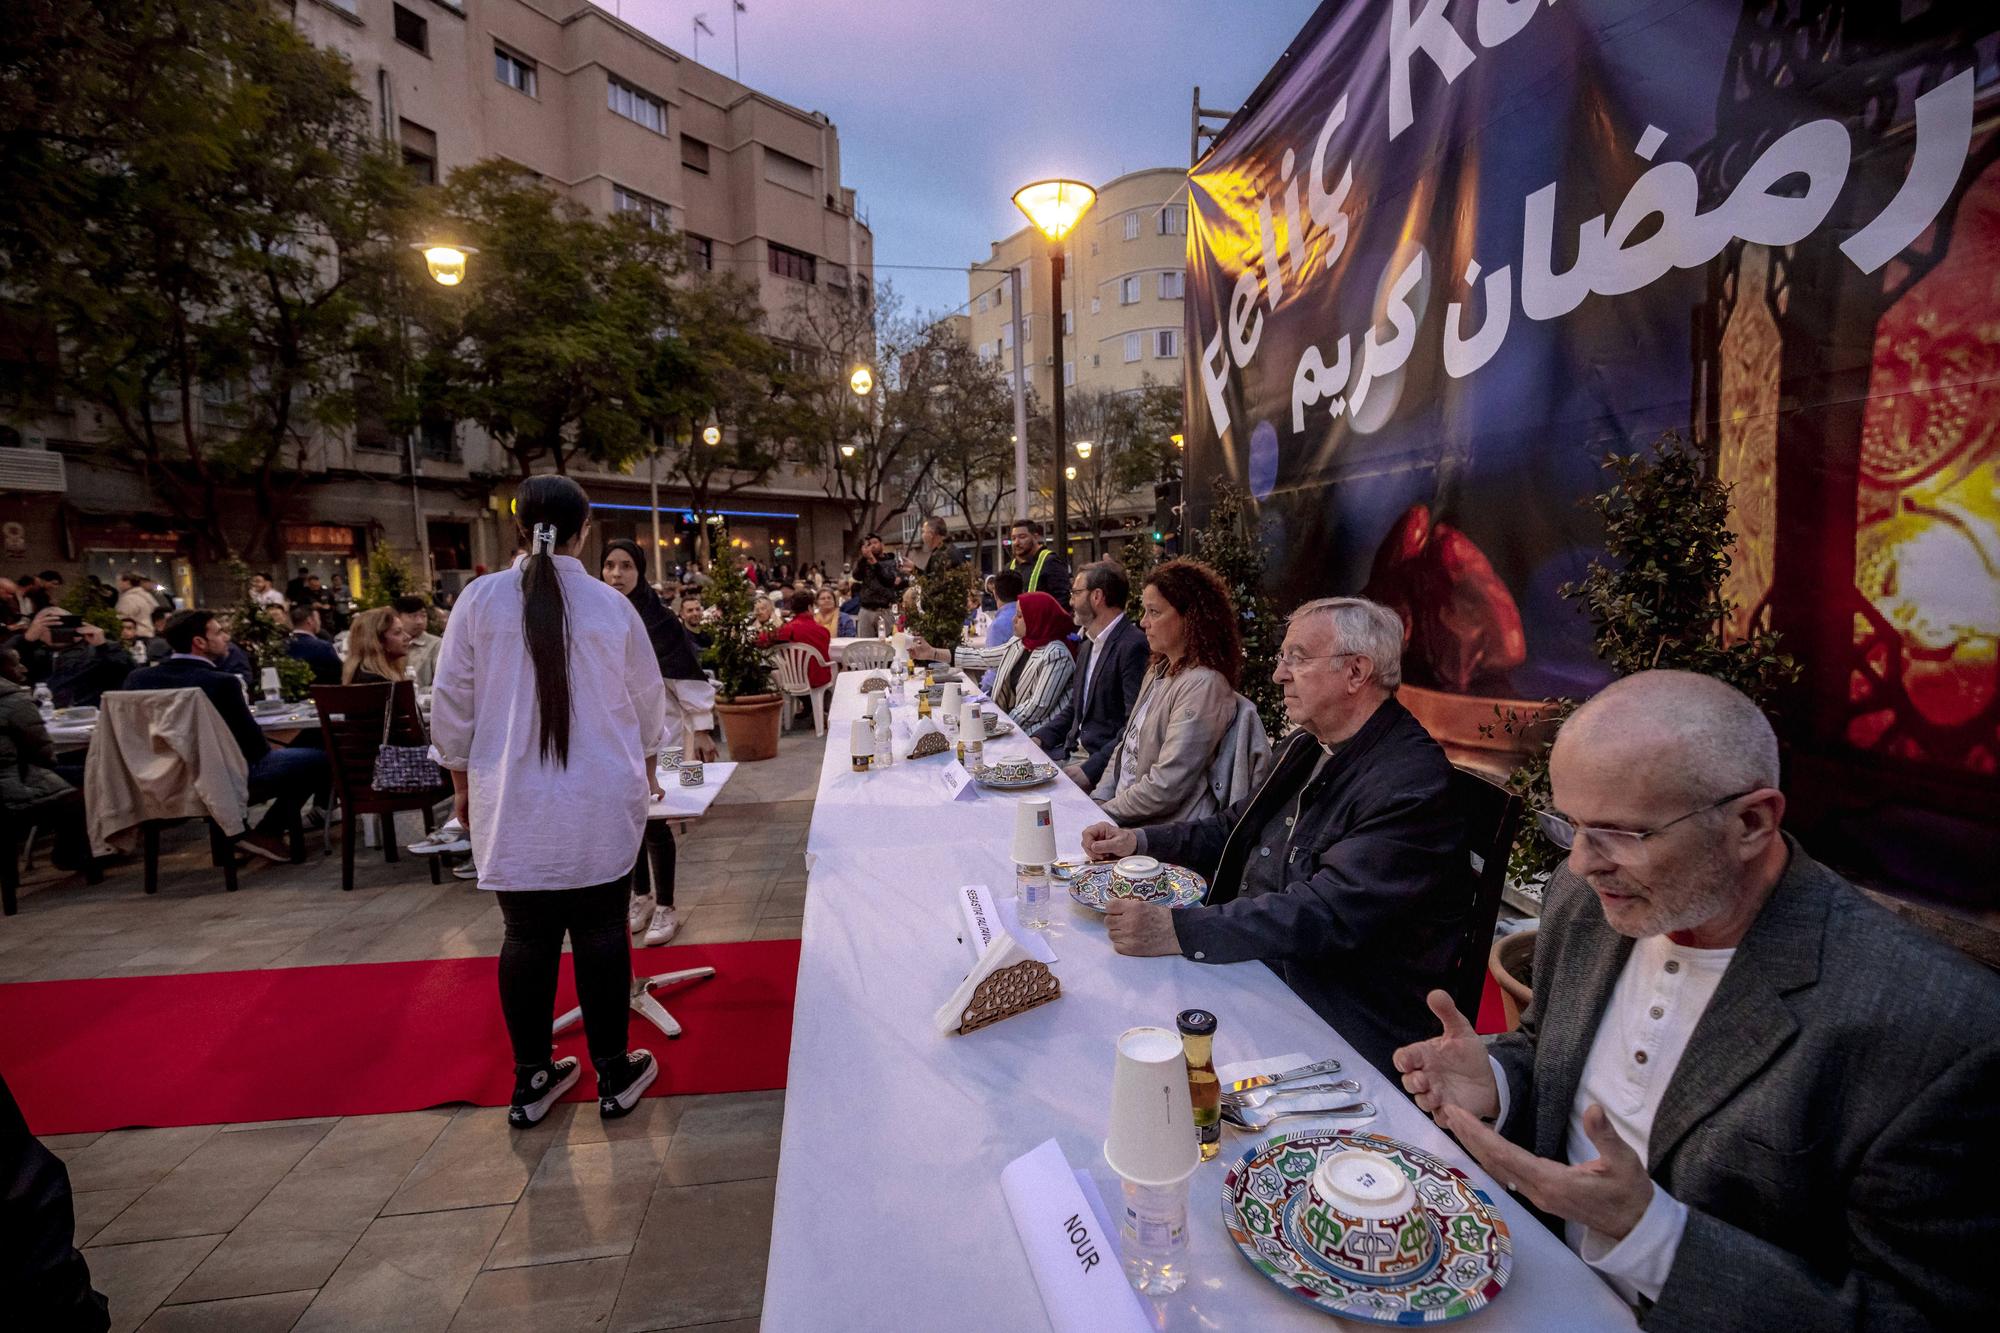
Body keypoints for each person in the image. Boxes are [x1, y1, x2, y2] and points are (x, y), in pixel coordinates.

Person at [1393, 671, 2000, 1326]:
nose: (1580, 864)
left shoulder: (1938, 1032)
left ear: (1751, 821)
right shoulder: (1592, 904)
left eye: (1621, 833)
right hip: (1522, 1280)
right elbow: (1549, 1047)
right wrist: (1499, 1081)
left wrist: (1655, 1237)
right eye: (1571, 824)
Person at [1083, 597, 1469, 1076]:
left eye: (1297, 659)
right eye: (1283, 658)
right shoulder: (1308, 746)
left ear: (1356, 673)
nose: (1278, 675)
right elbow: (1231, 828)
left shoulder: (1409, 782)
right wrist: (1139, 841)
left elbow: (1324, 913)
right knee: (1101, 1017)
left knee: (1130, 1058)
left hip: (1334, 1023)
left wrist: (1179, 930)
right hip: (1261, 973)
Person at [429, 476, 666, 1127]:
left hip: (514, 797)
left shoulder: (478, 601)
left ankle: (532, 1075)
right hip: (598, 793)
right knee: (601, 929)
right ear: (583, 531)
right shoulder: (609, 604)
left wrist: (460, 783)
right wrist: (648, 767)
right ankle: (614, 1071)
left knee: (525, 934)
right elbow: (648, 699)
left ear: (517, 527)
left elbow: (451, 703)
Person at [122, 610, 328, 862]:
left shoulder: (136, 680)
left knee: (301, 754)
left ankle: (247, 834)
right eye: (219, 632)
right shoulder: (220, 682)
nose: (226, 637)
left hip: (157, 781)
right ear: (199, 642)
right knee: (321, 759)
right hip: (219, 781)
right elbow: (255, 750)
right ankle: (265, 832)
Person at [602, 538, 718, 948]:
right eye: (610, 566)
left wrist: (701, 726)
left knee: (655, 821)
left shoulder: (659, 620)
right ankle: (640, 896)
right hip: (612, 736)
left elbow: (684, 674)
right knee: (627, 821)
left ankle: (666, 904)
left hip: (659, 732)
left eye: (626, 567)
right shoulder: (595, 613)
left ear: (641, 570)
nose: (616, 575)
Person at [1089, 559, 1251, 826]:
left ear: (1190, 617)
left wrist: (1104, 814)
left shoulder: (1204, 685)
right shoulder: (1158, 670)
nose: (1143, 623)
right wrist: (1097, 801)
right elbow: (1126, 749)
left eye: (1154, 612)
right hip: (1123, 818)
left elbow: (1167, 786)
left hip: (1159, 834)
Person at [1032, 561, 1150, 789]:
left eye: (1076, 592)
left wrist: (1090, 769)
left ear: (1097, 596)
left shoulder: (1132, 645)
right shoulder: (1087, 644)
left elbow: (1134, 726)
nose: (1070, 601)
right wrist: (1039, 738)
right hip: (1069, 756)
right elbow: (1075, 709)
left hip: (1100, 769)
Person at [912, 591, 1076, 735]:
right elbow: (981, 657)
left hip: (1037, 736)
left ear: (1037, 619)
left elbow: (1037, 706)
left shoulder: (1056, 654)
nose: (1013, 620)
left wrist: (998, 725)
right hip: (1013, 725)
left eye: (1020, 616)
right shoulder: (1020, 643)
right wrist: (932, 652)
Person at [1, 647, 92, 875]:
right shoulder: (14, 701)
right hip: (14, 790)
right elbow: (42, 750)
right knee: (88, 780)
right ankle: (72, 854)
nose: (23, 668)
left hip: (10, 782)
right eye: (16, 664)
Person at [761, 589, 836, 691]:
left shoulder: (787, 629)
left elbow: (763, 640)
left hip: (792, 680)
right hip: (818, 680)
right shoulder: (823, 631)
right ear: (810, 608)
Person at [1007, 519, 1072, 606]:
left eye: (1022, 537)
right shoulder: (1010, 567)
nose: (1016, 543)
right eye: (1013, 538)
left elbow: (1062, 602)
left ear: (1035, 537)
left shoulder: (1051, 562)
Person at [851, 534, 903, 638]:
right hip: (866, 609)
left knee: (887, 645)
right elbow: (856, 576)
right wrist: (863, 558)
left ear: (882, 545)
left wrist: (875, 563)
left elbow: (888, 580)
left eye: (875, 543)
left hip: (884, 610)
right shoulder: (865, 562)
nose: (872, 546)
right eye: (869, 544)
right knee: (865, 645)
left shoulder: (890, 561)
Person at [341, 607, 410, 685]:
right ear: (378, 641)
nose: (407, 637)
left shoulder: (359, 673)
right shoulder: (377, 682)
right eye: (397, 632)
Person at [285, 606, 342, 685]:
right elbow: (339, 674)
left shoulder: (281, 646)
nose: (319, 623)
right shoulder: (323, 647)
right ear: (310, 621)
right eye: (318, 619)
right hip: (322, 694)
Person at [393, 594, 440, 687]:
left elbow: (443, 684)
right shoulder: (389, 644)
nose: (420, 622)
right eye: (413, 616)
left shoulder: (437, 644)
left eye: (423, 616)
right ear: (397, 617)